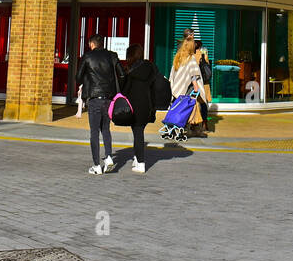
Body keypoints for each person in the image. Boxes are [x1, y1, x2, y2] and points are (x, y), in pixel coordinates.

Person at [75, 35, 123, 175]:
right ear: (102, 44)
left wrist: (88, 78)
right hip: (108, 99)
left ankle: (96, 166)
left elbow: (78, 77)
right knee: (106, 129)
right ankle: (108, 156)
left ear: (91, 44)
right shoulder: (112, 56)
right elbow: (122, 74)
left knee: (94, 132)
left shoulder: (88, 56)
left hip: (94, 99)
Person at [121, 44, 166, 173]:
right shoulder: (150, 68)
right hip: (148, 106)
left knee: (138, 133)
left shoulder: (130, 71)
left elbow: (125, 89)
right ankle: (137, 158)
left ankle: (140, 162)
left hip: (134, 106)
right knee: (138, 132)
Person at [168, 36, 206, 137]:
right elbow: (193, 75)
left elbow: (173, 74)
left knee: (178, 109)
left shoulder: (178, 57)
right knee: (191, 108)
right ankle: (192, 129)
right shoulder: (191, 58)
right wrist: (197, 88)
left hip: (177, 89)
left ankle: (175, 128)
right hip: (188, 89)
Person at [196, 44, 213, 131]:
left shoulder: (194, 54)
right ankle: (204, 123)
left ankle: (194, 124)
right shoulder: (205, 54)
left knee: (194, 103)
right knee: (204, 104)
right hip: (205, 83)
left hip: (196, 82)